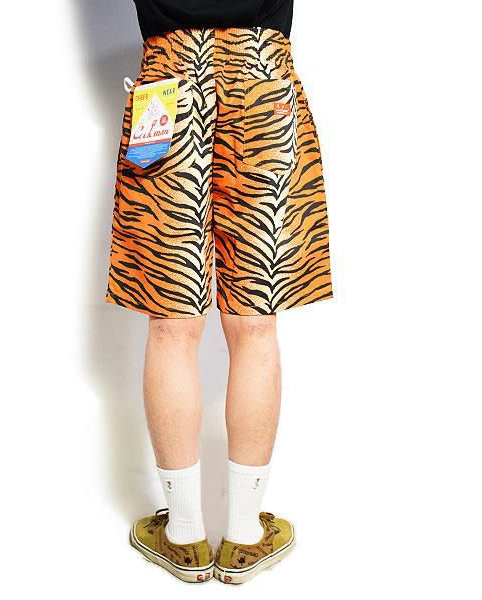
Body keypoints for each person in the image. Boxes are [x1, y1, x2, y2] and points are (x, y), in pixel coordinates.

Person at [105, 0, 332, 585]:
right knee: (255, 321)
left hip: (168, 79)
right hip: (262, 75)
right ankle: (244, 534)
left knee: (170, 321)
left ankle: (183, 535)